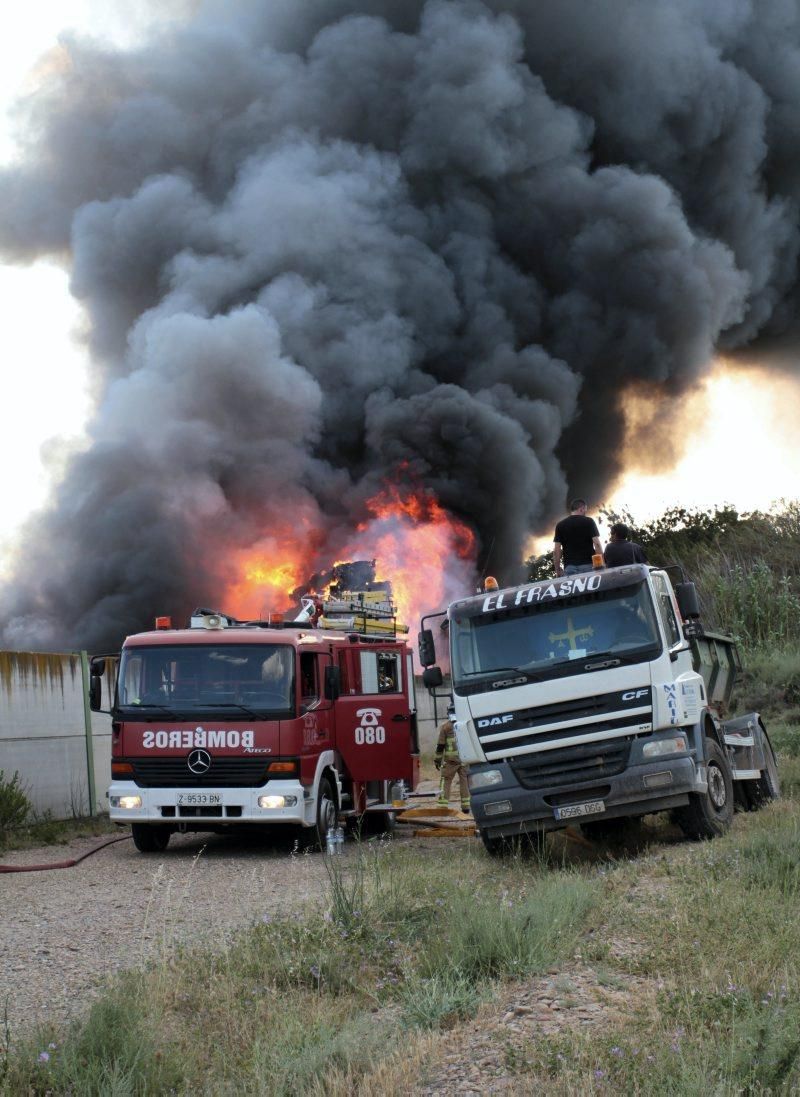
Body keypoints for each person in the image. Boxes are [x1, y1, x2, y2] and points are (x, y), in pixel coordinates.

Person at [553, 499, 603, 577]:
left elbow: (556, 551)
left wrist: (557, 570)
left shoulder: (560, 525)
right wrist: (601, 564)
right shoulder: (589, 521)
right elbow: (597, 544)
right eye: (585, 509)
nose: (585, 512)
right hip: (588, 566)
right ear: (581, 508)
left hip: (569, 568)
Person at [434, 717, 470, 813]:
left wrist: (437, 760)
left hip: (451, 761)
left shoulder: (445, 727)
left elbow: (440, 745)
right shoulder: (465, 724)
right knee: (464, 781)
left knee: (445, 780)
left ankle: (442, 806)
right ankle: (466, 806)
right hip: (464, 759)